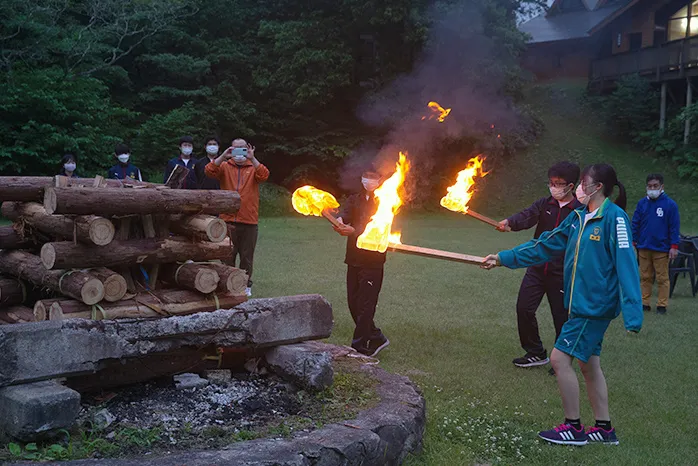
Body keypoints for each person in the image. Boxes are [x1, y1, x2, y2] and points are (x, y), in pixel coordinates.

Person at [482, 164, 642, 446]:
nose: (578, 187)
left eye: (583, 182)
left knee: (558, 359)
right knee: (589, 365)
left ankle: (573, 428)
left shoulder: (614, 219)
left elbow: (627, 265)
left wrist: (633, 314)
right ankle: (604, 430)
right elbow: (545, 244)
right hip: (579, 304)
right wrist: (504, 258)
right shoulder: (578, 217)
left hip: (593, 307)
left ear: (598, 187)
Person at [496, 162, 582, 371]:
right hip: (536, 268)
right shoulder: (546, 204)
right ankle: (535, 352)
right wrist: (510, 222)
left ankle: (562, 359)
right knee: (524, 308)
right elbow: (527, 215)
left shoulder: (579, 210)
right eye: (551, 183)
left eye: (559, 184)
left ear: (571, 185)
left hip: (562, 272)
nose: (554, 187)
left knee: (561, 316)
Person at [333, 171, 390, 358]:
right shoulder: (355, 199)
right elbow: (345, 213)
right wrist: (340, 221)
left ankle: (359, 347)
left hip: (373, 259)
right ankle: (376, 336)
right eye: (366, 177)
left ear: (379, 181)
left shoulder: (386, 200)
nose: (369, 181)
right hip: (354, 258)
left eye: (373, 178)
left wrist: (354, 230)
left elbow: (378, 229)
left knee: (366, 304)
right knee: (353, 303)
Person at [205, 138, 269, 296]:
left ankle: (245, 284)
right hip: (227, 219)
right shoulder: (225, 166)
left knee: (247, 257)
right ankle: (227, 284)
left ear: (248, 149)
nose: (239, 152)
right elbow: (209, 171)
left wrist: (252, 158)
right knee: (227, 255)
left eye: (243, 149)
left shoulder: (253, 167)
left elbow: (264, 175)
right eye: (236, 149)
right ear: (231, 150)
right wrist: (223, 156)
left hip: (249, 220)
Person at [631, 173, 680, 315]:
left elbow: (674, 227)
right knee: (645, 277)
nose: (652, 189)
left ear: (661, 187)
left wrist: (674, 246)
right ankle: (644, 303)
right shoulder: (642, 203)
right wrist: (634, 240)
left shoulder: (670, 205)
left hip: (661, 248)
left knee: (662, 278)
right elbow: (635, 223)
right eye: (650, 186)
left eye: (655, 186)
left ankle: (661, 305)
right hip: (644, 246)